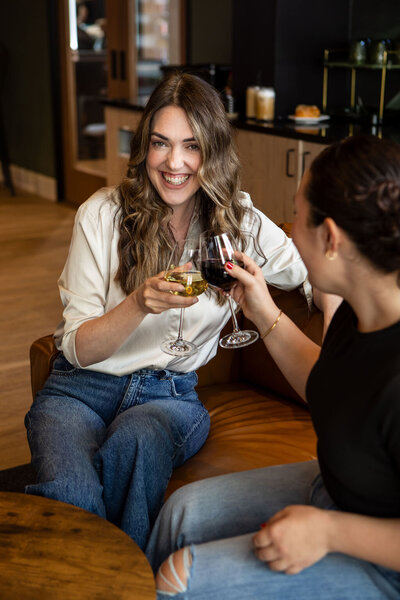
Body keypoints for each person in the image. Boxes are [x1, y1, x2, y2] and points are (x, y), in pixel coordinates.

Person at [24, 72, 311, 550]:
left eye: (191, 146)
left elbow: (310, 268)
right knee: (70, 495)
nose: (174, 162)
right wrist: (138, 303)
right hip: (80, 389)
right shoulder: (101, 215)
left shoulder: (239, 221)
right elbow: (76, 347)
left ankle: (134, 576)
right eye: (160, 144)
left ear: (212, 152)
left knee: (137, 442)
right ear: (144, 148)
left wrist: (336, 301)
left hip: (169, 396)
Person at [146, 135, 400, 599]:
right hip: (337, 492)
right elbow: (332, 388)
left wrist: (328, 532)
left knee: (180, 580)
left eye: (298, 217)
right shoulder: (359, 309)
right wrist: (260, 309)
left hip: (385, 564)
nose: (289, 231)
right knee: (181, 512)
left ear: (331, 239)